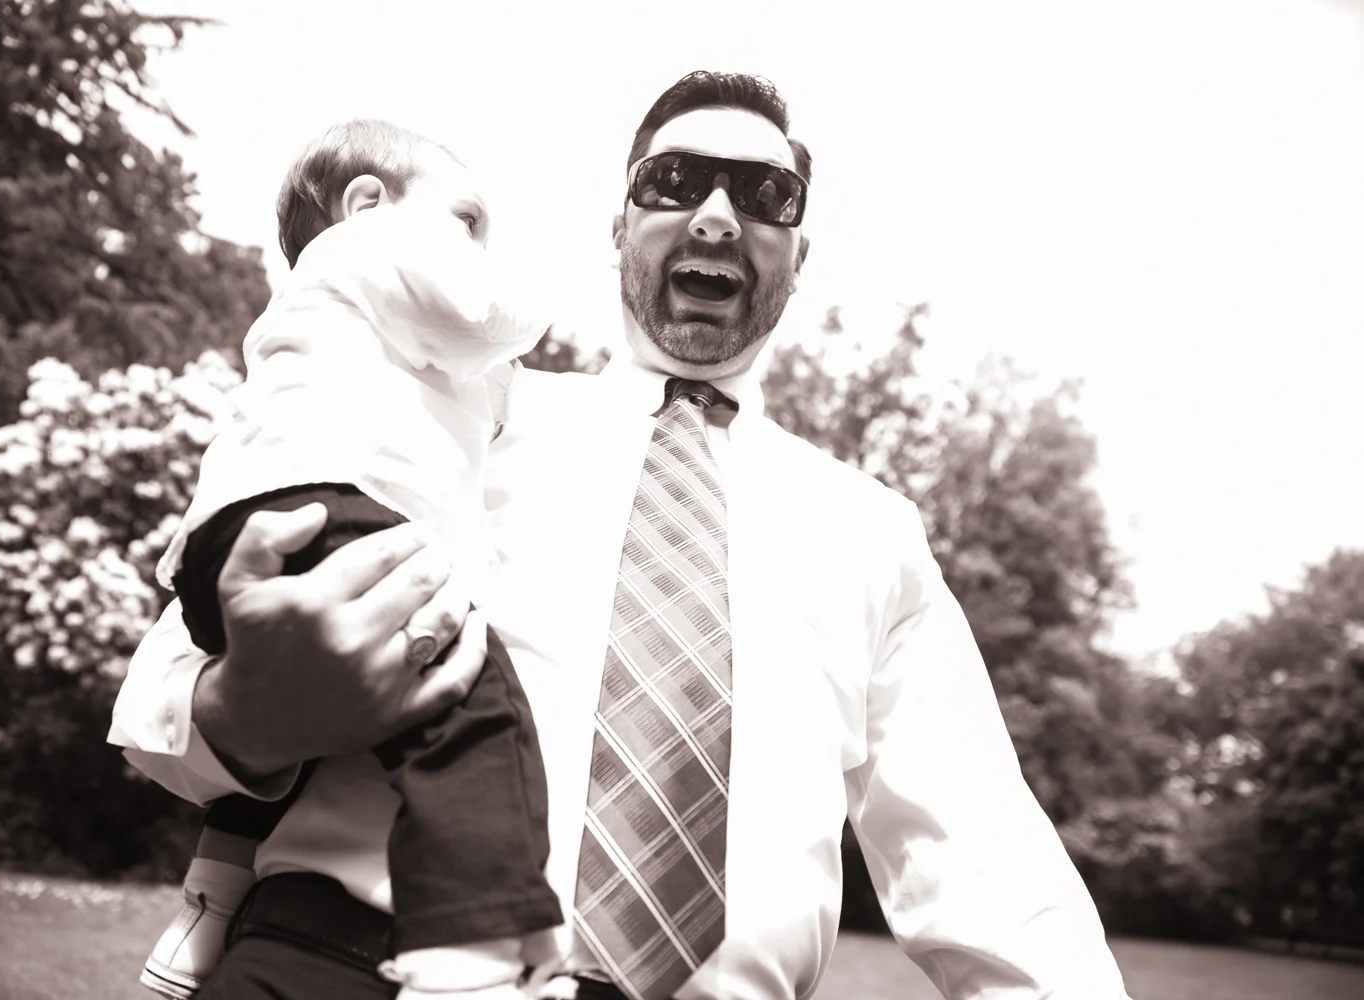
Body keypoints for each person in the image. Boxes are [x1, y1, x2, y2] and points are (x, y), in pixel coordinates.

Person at [111, 70, 1134, 1000]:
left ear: (799, 253)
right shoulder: (461, 406)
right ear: (621, 224)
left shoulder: (876, 535)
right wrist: (244, 709)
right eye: (676, 181)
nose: (718, 215)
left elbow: (987, 866)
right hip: (348, 963)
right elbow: (173, 683)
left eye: (764, 195)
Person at [135, 119, 562, 1000]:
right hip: (325, 501)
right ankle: (470, 949)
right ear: (367, 202)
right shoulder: (373, 246)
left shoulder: (338, 324)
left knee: (315, 679)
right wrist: (536, 306)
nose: (477, 244)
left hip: (237, 529)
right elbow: (477, 313)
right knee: (471, 700)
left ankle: (210, 901)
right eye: (468, 220)